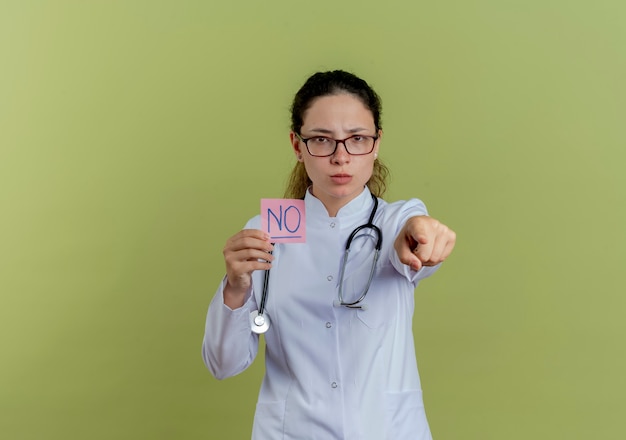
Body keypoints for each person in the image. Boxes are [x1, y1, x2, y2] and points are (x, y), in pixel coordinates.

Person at [202, 70, 456, 440]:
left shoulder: (393, 222)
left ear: (376, 143)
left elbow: (415, 230)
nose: (341, 157)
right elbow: (223, 365)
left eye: (357, 139)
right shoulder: (266, 231)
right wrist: (236, 287)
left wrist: (422, 234)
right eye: (322, 140)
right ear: (297, 144)